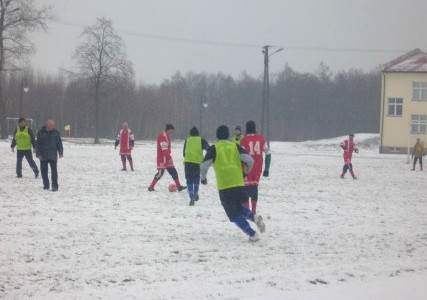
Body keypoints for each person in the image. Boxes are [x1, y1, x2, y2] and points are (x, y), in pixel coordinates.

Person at [200, 125, 266, 242]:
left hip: (225, 185)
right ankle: (254, 218)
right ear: (228, 135)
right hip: (239, 182)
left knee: (233, 215)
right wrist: (246, 172)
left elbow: (204, 166)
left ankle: (253, 234)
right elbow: (250, 160)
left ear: (217, 136)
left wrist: (203, 178)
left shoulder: (214, 148)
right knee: (239, 208)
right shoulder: (235, 146)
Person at [240, 120, 271, 214]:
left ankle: (247, 212)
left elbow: (241, 156)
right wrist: (266, 169)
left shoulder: (244, 140)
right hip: (257, 169)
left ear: (246, 128)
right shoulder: (261, 139)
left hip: (246, 169)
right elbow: (268, 154)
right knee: (254, 188)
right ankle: (253, 211)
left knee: (245, 190)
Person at [148, 124, 186, 192]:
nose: (172, 133)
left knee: (174, 172)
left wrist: (169, 157)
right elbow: (164, 149)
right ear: (169, 129)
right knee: (160, 173)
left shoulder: (167, 136)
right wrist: (168, 158)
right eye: (172, 131)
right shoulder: (163, 136)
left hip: (167, 157)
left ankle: (179, 187)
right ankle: (151, 187)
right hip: (162, 158)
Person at [183, 126, 210, 206]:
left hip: (187, 162)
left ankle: (191, 196)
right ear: (198, 133)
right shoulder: (201, 140)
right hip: (197, 163)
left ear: (190, 134)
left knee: (189, 180)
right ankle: (195, 193)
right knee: (196, 179)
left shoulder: (187, 140)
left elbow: (184, 153)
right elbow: (208, 149)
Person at [36, 119, 64, 192]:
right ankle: (46, 185)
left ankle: (55, 186)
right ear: (46, 125)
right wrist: (38, 154)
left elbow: (59, 143)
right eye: (51, 125)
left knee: (54, 172)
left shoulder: (56, 132)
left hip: (53, 155)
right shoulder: (40, 132)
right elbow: (37, 144)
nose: (52, 127)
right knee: (44, 172)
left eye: (53, 126)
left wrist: (60, 152)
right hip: (43, 155)